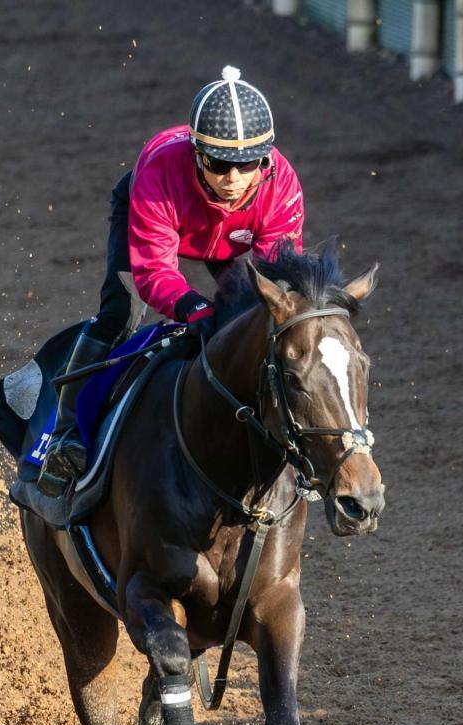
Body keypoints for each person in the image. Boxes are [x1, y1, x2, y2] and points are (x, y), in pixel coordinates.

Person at [37, 65, 305, 497]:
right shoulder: (162, 171)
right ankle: (65, 435)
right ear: (198, 153)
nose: (232, 179)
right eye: (219, 163)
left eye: (246, 164)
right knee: (121, 313)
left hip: (231, 241)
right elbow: (154, 270)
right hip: (158, 213)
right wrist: (193, 307)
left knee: (254, 319)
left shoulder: (283, 186)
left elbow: (275, 276)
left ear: (266, 159)